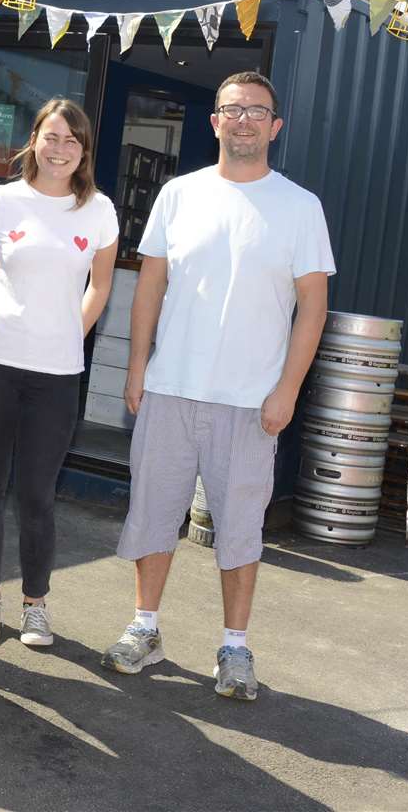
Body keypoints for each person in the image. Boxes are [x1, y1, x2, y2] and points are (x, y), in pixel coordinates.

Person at [102, 71, 333, 700]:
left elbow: (313, 307)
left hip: (253, 400)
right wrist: (136, 365)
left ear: (275, 127)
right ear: (216, 121)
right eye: (234, 109)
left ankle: (235, 646)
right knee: (154, 513)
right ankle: (145, 628)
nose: (246, 120)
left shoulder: (299, 207)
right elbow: (150, 285)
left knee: (239, 529)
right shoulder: (180, 195)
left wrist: (288, 388)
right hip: (172, 386)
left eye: (258, 111)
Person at [0, 100, 119, 648]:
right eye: (51, 137)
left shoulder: (98, 209)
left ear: (84, 151)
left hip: (57, 373)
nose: (60, 150)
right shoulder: (1, 202)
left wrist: (69, 334)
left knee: (37, 494)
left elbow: (100, 285)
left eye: (72, 141)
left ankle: (35, 605)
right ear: (33, 139)